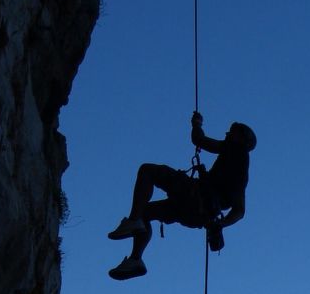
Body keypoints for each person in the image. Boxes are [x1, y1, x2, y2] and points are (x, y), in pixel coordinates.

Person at [108, 112, 257, 280]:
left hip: (194, 196)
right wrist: (220, 224)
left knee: (148, 171)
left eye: (232, 132)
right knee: (145, 212)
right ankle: (135, 259)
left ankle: (134, 223)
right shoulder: (241, 173)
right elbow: (239, 211)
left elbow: (199, 140)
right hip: (196, 214)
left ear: (242, 139)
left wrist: (197, 124)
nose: (227, 134)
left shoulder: (236, 150)